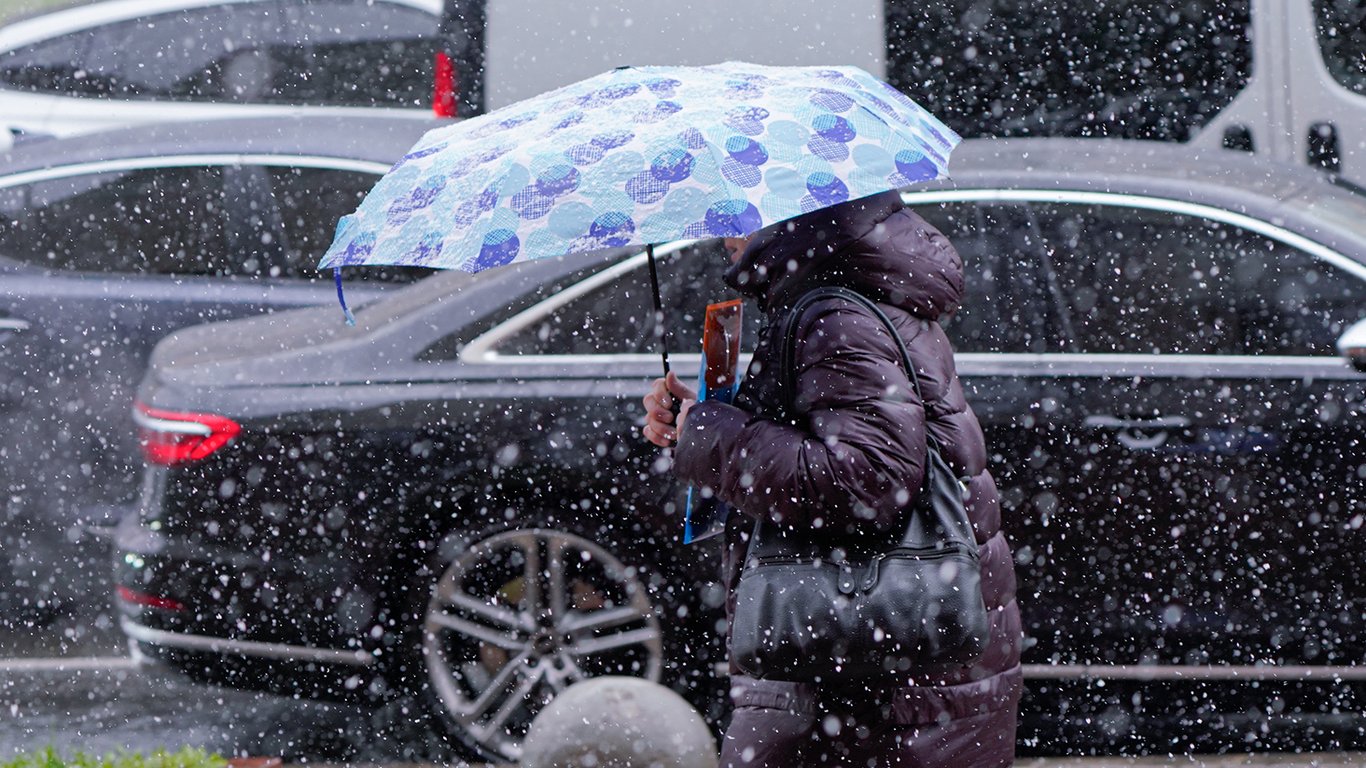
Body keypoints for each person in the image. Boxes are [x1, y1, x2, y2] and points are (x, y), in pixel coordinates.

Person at [641, 190, 1021, 767]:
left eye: (734, 208)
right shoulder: (844, 295)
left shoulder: (835, 315)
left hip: (867, 683)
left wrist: (712, 435)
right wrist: (703, 422)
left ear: (787, 209)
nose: (720, 230)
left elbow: (864, 482)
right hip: (881, 676)